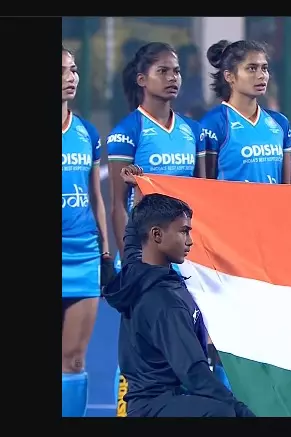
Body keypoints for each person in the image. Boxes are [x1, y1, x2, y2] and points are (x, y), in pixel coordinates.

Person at [102, 166, 256, 417]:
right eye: (183, 231)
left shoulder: (136, 272)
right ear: (157, 235)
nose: (190, 240)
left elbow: (134, 237)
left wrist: (138, 190)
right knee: (224, 413)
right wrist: (241, 411)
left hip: (146, 405)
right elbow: (194, 373)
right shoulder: (164, 302)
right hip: (159, 408)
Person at [107, 42, 207, 412]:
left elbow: (203, 197)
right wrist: (132, 263)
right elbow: (118, 204)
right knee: (140, 348)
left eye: (176, 71)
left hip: (185, 255)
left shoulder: (193, 131)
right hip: (145, 260)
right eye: (162, 71)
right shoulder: (127, 131)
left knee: (190, 340)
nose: (172, 78)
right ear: (141, 79)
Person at [62, 44, 114, 417]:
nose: (71, 77)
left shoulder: (86, 132)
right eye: (63, 70)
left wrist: (105, 253)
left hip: (83, 256)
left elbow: (96, 197)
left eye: (74, 70)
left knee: (75, 359)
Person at [200, 40, 291, 184]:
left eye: (264, 68)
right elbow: (205, 185)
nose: (261, 75)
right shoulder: (213, 123)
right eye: (252, 68)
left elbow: (288, 187)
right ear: (229, 76)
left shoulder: (280, 123)